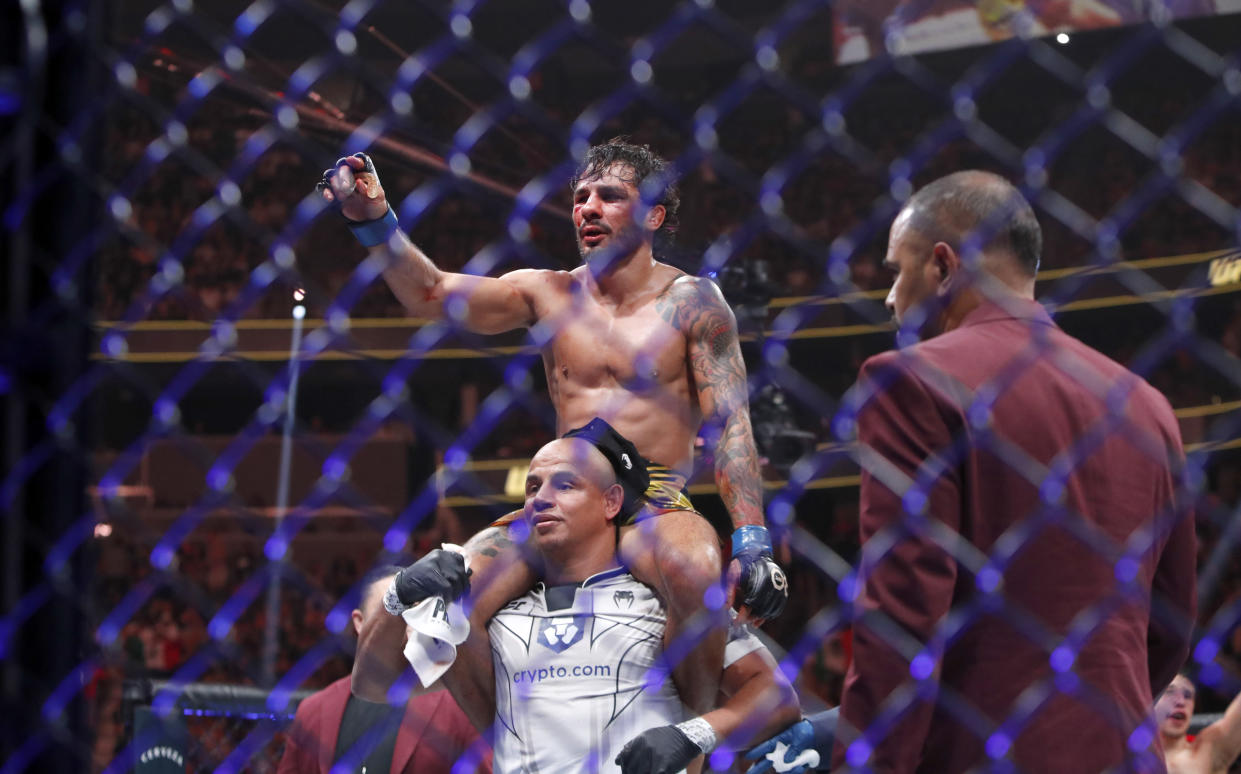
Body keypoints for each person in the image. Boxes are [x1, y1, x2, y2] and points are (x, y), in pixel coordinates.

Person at [318, 140, 787, 716]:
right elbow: (432, 292)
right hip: (563, 494)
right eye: (580, 197)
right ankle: (508, 740)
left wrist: (752, 540)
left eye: (610, 196)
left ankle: (689, 739)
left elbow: (729, 420)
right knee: (449, 595)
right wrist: (374, 223)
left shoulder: (690, 300)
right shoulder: (548, 292)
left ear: (654, 216)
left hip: (653, 494)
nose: (587, 208)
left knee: (695, 568)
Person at [832, 171, 1197, 772]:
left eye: (897, 271)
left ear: (944, 267)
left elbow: (902, 618)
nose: (891, 298)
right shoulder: (1145, 403)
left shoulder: (913, 380)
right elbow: (1172, 620)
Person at [356, 419, 800, 773]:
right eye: (533, 488)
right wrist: (398, 594)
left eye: (565, 485)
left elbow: (776, 696)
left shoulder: (663, 607)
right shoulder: (492, 617)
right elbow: (372, 686)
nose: (541, 499)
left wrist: (694, 734)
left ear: (611, 504)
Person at [276, 566, 487, 774]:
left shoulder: (458, 703)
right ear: (360, 623)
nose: (400, 621)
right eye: (389, 610)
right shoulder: (313, 710)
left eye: (412, 611)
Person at [1156, 672, 1241, 774]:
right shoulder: (1134, 753)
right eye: (1170, 692)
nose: (1180, 702)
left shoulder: (1208, 751)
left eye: (1188, 696)